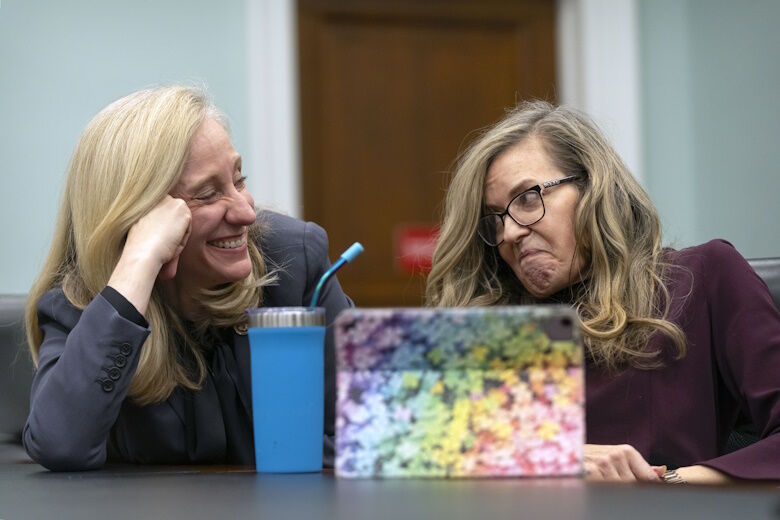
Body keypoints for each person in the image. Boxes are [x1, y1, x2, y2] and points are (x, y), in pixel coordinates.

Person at [426, 100, 780, 483]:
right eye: (495, 220)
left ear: (593, 186)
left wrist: (666, 483)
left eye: (528, 198)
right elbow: (419, 462)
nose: (509, 233)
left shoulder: (701, 277)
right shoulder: (494, 325)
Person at [23, 86, 351, 471]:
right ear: (140, 218)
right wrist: (139, 263)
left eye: (239, 180)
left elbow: (366, 430)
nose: (246, 212)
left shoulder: (294, 262)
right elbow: (60, 443)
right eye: (209, 194)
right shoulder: (82, 304)